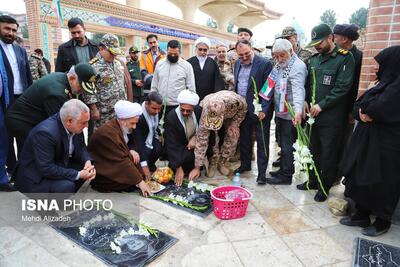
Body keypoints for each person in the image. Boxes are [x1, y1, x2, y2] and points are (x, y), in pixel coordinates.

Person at [339, 46, 400, 236]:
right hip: (367, 142)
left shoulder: (396, 88)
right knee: (361, 178)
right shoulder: (381, 84)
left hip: (387, 146)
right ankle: (361, 215)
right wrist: (361, 112)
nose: (376, 68)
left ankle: (382, 221)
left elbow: (376, 109)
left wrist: (365, 107)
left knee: (385, 183)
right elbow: (357, 106)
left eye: (380, 64)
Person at [297, 24, 355, 202]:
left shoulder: (344, 58)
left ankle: (324, 185)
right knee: (313, 150)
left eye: (319, 42)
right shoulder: (314, 60)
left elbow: (343, 87)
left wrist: (322, 105)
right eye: (314, 43)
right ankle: (313, 181)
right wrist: (306, 100)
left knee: (329, 153)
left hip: (331, 117)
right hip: (313, 117)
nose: (316, 47)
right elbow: (308, 84)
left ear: (330, 38)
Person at [5, 63, 96, 150]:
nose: (82, 91)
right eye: (81, 87)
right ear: (72, 78)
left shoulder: (64, 79)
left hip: (33, 119)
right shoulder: (56, 93)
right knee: (40, 149)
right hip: (22, 122)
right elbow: (64, 126)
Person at [14, 99, 95, 193]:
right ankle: (46, 202)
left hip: (58, 162)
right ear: (69, 121)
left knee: (91, 167)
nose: (87, 126)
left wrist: (87, 162)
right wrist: (78, 174)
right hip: (36, 177)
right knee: (66, 186)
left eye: (87, 121)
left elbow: (81, 147)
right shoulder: (45, 133)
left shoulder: (74, 124)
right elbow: (46, 168)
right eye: (84, 122)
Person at [265, 39, 307, 185]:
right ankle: (282, 169)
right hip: (280, 112)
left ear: (291, 51)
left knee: (288, 145)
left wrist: (297, 112)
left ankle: (286, 176)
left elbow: (298, 91)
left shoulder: (297, 66)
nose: (279, 59)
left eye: (282, 55)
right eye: (276, 56)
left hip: (290, 114)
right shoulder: (279, 65)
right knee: (282, 143)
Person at [88, 100, 150, 195]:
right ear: (123, 120)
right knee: (129, 182)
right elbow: (121, 161)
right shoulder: (108, 134)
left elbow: (131, 142)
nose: (134, 127)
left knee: (135, 162)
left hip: (116, 161)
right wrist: (140, 182)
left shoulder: (121, 125)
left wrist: (131, 150)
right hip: (104, 169)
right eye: (132, 123)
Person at [233, 40, 273, 184]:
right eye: (241, 55)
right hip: (243, 110)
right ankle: (245, 164)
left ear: (252, 49)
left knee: (262, 142)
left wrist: (265, 109)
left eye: (246, 54)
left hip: (260, 110)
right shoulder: (237, 63)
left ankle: (262, 173)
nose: (244, 57)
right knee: (244, 139)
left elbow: (269, 87)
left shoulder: (265, 64)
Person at [189, 90, 247, 180]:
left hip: (230, 115)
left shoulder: (238, 102)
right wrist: (197, 167)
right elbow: (202, 140)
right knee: (213, 139)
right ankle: (213, 162)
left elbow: (242, 111)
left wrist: (235, 124)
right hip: (209, 108)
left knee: (233, 134)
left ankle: (222, 162)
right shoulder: (205, 109)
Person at [0, 15, 33, 174]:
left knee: (24, 135)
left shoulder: (20, 50)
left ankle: (23, 170)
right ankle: (11, 169)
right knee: (5, 136)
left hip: (22, 100)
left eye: (13, 30)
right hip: (4, 99)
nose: (10, 33)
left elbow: (27, 75)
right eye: (7, 28)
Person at [84, 34, 127, 131]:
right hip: (103, 113)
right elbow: (88, 89)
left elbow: (122, 84)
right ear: (101, 49)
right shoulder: (93, 67)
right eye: (111, 52)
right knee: (104, 138)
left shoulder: (117, 64)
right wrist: (93, 109)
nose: (114, 55)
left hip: (118, 110)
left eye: (115, 53)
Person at [333, 24, 363, 160]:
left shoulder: (360, 58)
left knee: (344, 142)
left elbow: (357, 86)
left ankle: (337, 175)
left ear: (344, 39)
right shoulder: (335, 55)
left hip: (348, 109)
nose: (333, 40)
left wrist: (352, 110)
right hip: (333, 106)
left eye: (336, 37)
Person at [165, 90, 201, 186]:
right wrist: (178, 167)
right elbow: (171, 143)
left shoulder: (199, 111)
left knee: (192, 157)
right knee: (180, 160)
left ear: (193, 108)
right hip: (178, 147)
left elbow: (204, 132)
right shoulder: (171, 117)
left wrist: (196, 137)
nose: (185, 113)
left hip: (194, 145)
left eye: (188, 110)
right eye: (182, 110)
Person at [151, 40, 196, 115]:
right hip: (160, 106)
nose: (172, 55)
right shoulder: (160, 64)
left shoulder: (187, 66)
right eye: (170, 53)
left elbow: (191, 89)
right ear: (167, 51)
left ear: (180, 52)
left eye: (175, 54)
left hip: (178, 108)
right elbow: (154, 85)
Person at [132, 91, 163, 181]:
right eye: (154, 109)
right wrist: (144, 165)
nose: (157, 112)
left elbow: (155, 127)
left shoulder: (156, 111)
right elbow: (139, 141)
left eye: (159, 109)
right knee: (146, 151)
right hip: (136, 141)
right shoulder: (139, 116)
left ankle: (150, 165)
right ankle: (142, 168)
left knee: (158, 148)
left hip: (150, 136)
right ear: (146, 104)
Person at [0, 47, 13, 191]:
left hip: (3, 102)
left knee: (3, 142)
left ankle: (2, 179)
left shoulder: (4, 50)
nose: (11, 32)